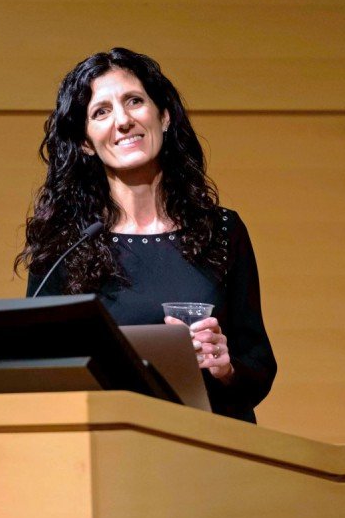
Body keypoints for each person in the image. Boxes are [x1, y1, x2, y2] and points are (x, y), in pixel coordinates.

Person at [15, 47, 276, 423]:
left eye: (134, 101)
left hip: (214, 443)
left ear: (164, 116)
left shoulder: (221, 230)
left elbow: (259, 364)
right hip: (109, 446)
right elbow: (39, 364)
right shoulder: (65, 243)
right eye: (100, 112)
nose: (122, 121)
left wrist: (226, 366)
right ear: (86, 142)